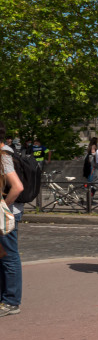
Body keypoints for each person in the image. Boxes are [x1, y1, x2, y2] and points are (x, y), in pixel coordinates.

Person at [1, 123, 25, 317]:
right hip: (8, 211)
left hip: (8, 212)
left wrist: (2, 208)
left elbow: (17, 187)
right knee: (3, 254)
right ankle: (6, 298)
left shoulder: (3, 155)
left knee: (8, 255)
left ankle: (11, 301)